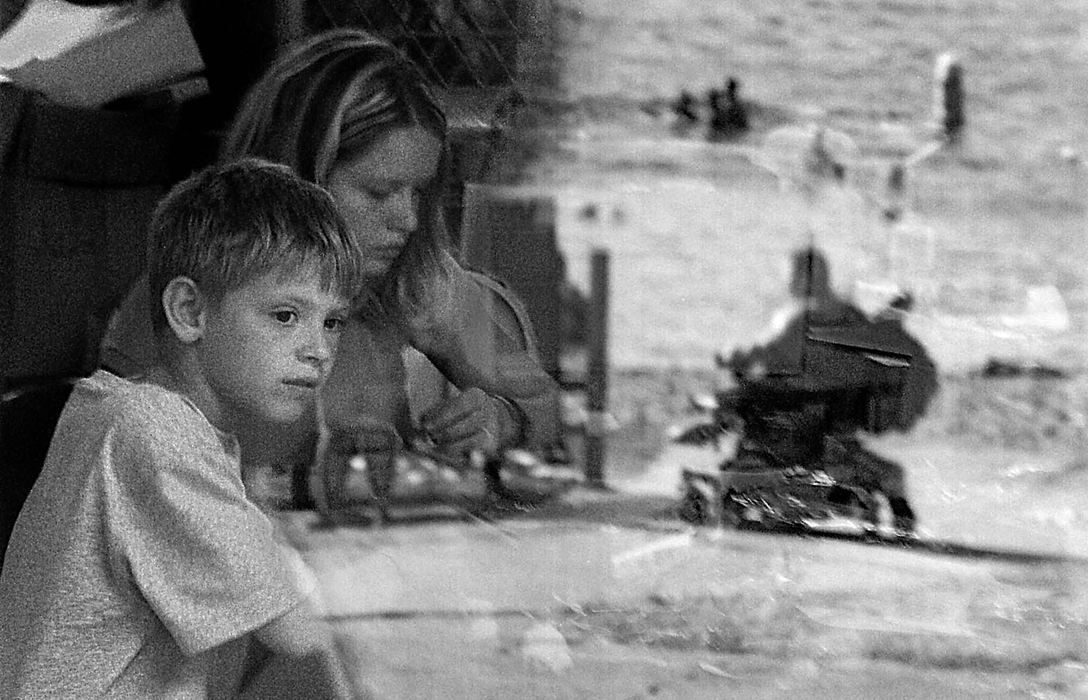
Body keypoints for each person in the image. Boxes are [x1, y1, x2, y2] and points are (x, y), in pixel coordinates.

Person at [100, 28, 560, 507]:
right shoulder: (187, 299)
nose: (407, 220)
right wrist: (302, 482)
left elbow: (545, 404)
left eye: (420, 193)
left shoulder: (414, 280)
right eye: (378, 192)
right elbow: (122, 470)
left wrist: (501, 422)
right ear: (300, 174)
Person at [0, 159, 366, 698]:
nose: (319, 350)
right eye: (286, 315)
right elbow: (299, 632)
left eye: (332, 321)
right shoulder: (154, 430)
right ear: (190, 311)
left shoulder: (134, 417)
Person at [724, 246, 923, 532]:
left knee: (888, 476)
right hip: (789, 444)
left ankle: (865, 505)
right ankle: (835, 500)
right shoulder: (790, 325)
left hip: (821, 443)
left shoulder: (820, 321)